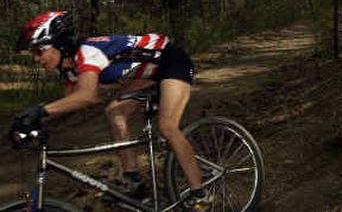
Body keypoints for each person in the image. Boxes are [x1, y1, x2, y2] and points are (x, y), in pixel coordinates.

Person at [11, 11, 210, 212]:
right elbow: (67, 105)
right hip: (148, 72)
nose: (36, 59)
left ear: (59, 45)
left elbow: (87, 96)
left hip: (171, 61)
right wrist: (30, 123)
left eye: (38, 51)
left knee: (167, 127)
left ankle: (199, 196)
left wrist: (39, 111)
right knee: (115, 112)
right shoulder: (70, 68)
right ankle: (135, 182)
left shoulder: (86, 52)